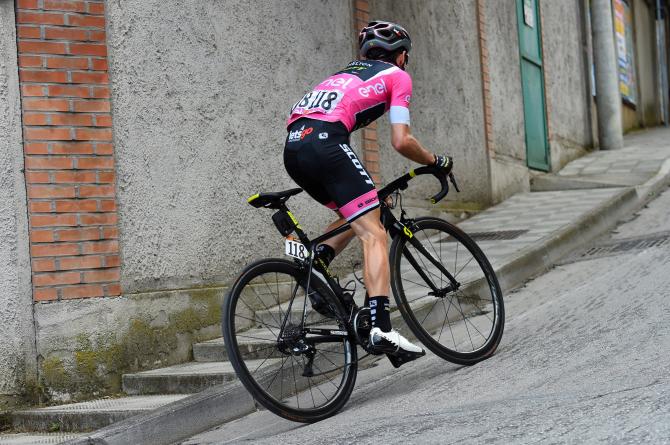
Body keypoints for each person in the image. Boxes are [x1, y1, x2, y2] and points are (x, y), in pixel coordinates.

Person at [284, 21, 452, 362]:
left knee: (359, 212)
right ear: (401, 54)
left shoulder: (340, 76)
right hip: (326, 143)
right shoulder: (397, 76)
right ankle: (381, 327)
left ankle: (318, 259)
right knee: (374, 233)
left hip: (294, 148)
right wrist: (436, 160)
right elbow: (401, 141)